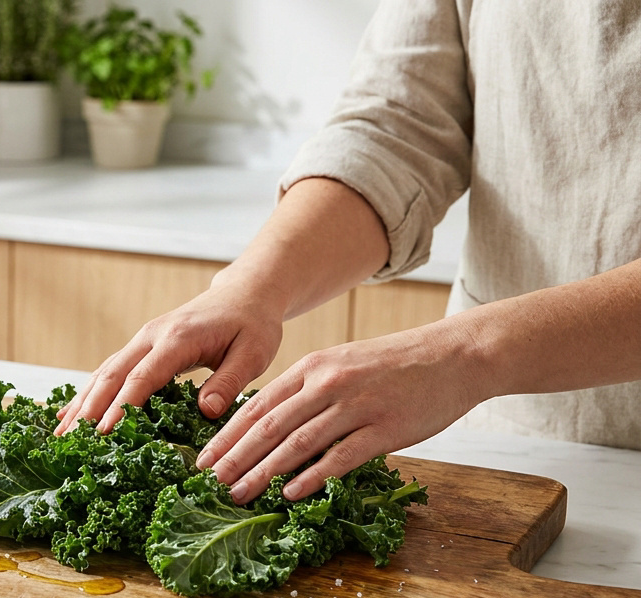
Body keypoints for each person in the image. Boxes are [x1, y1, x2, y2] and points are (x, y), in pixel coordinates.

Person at [55, 1, 641, 505]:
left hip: (492, 378)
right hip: (513, 442)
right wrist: (253, 287)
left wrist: (462, 355)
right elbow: (400, 126)